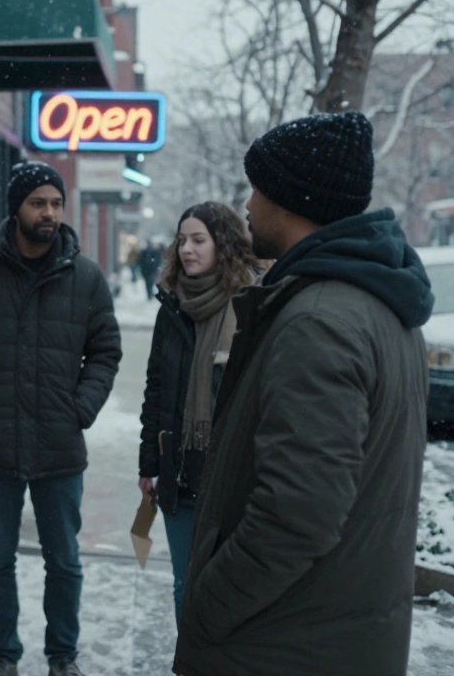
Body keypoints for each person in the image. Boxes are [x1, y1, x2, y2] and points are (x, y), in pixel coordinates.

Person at [173, 112, 433, 676]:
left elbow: (298, 514)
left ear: (290, 200)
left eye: (258, 188)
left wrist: (207, 607)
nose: (247, 204)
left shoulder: (319, 319)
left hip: (283, 643)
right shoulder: (378, 303)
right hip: (329, 631)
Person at [0, 162, 122, 676]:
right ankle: (3, 655)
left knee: (64, 562)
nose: (49, 213)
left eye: (56, 203)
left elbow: (106, 350)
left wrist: (81, 407)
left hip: (60, 446)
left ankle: (63, 655)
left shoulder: (85, 276)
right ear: (16, 207)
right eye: (39, 203)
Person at [136, 201, 262, 628]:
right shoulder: (172, 308)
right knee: (184, 584)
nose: (187, 249)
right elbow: (156, 390)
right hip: (181, 470)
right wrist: (148, 464)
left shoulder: (252, 305)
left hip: (231, 475)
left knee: (228, 588)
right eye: (182, 240)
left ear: (222, 244)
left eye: (198, 239)